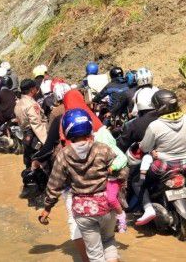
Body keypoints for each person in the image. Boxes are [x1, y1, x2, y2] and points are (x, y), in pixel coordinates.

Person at [39, 109, 127, 262]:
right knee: (108, 240)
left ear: (67, 132)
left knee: (94, 253)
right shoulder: (103, 149)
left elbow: (54, 185)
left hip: (83, 210)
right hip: (107, 206)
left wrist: (47, 208)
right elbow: (122, 171)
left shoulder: (63, 155)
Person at [135, 89, 186, 226]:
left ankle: (148, 208)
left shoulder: (155, 125)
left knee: (138, 181)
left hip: (164, 166)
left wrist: (153, 151)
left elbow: (144, 147)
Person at [14, 79, 48, 168]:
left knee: (29, 161)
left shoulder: (18, 103)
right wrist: (46, 141)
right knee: (43, 162)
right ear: (32, 89)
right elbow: (37, 124)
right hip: (35, 135)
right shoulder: (31, 104)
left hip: (25, 135)